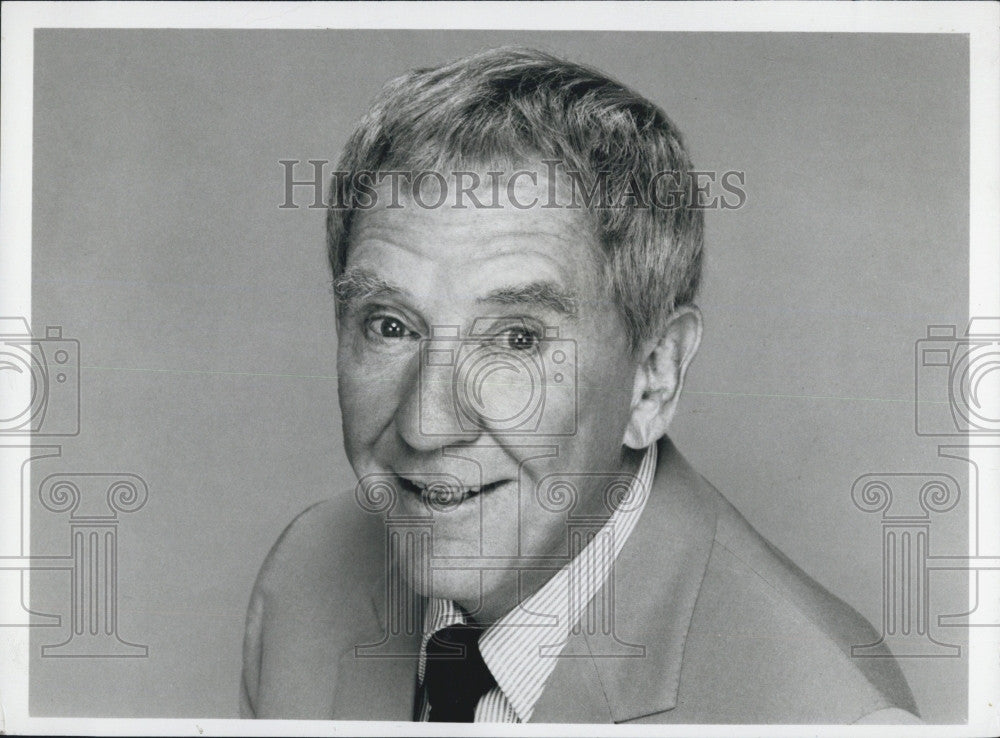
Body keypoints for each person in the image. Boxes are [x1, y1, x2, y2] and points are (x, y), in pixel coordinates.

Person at [240, 46, 919, 724]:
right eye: (390, 326)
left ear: (653, 379)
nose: (427, 423)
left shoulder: (830, 717)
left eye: (516, 339)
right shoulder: (304, 580)